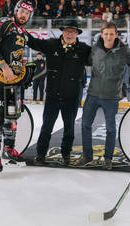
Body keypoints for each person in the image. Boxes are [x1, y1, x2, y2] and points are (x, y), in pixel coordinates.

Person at [26, 20, 91, 166]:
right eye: (67, 31)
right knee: (47, 126)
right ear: (62, 32)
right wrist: (20, 32)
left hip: (72, 96)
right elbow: (33, 42)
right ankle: (41, 154)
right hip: (52, 95)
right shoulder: (51, 44)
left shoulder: (83, 49)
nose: (69, 34)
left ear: (77, 34)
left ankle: (66, 154)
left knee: (69, 128)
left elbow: (98, 57)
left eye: (73, 32)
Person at [0, 0, 36, 173]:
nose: (24, 15)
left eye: (27, 14)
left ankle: (8, 150)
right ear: (15, 10)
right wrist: (4, 66)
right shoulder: (3, 23)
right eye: (21, 11)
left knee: (12, 119)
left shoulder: (23, 33)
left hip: (14, 82)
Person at [80, 21, 130, 170]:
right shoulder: (95, 49)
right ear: (102, 35)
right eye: (106, 34)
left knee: (111, 129)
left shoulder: (123, 51)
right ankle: (87, 156)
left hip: (112, 96)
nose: (109, 37)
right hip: (93, 94)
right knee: (85, 125)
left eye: (111, 34)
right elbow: (87, 62)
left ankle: (108, 158)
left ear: (116, 35)